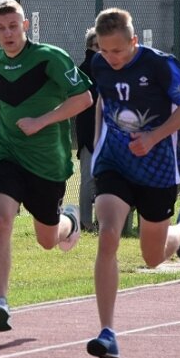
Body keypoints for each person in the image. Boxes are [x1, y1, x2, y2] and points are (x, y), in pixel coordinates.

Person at [0, 0, 93, 333]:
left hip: (47, 163)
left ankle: (69, 221)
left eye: (14, 26)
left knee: (47, 240)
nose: (8, 33)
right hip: (6, 155)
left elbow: (83, 99)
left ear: (25, 26)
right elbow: (5, 99)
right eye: (1, 28)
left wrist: (42, 121)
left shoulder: (50, 57)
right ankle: (0, 302)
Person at [86, 7, 180, 358]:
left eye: (118, 50)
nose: (111, 58)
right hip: (115, 163)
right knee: (108, 235)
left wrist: (153, 138)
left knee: (152, 259)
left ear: (134, 41)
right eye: (104, 50)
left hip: (157, 169)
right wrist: (96, 149)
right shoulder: (99, 65)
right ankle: (107, 332)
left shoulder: (159, 64)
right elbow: (102, 103)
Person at [75, 27, 100, 232]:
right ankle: (85, 221)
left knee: (101, 178)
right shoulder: (87, 68)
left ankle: (98, 219)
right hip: (90, 132)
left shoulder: (108, 67)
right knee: (89, 179)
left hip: (103, 133)